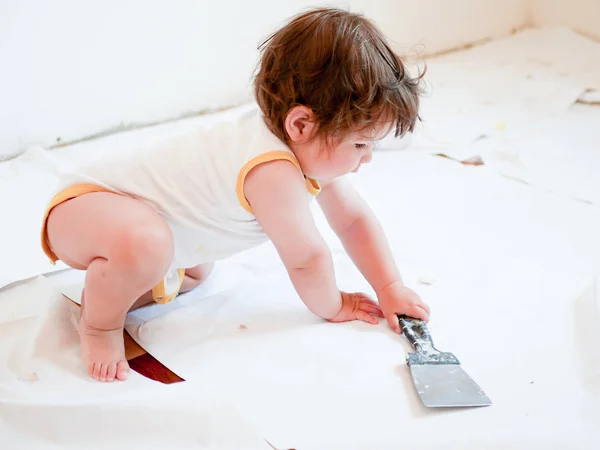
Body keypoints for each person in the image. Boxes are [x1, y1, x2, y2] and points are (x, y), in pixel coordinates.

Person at [40, 7, 430, 383]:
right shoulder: (271, 168)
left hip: (125, 221)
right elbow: (307, 257)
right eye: (361, 144)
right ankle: (99, 326)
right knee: (147, 244)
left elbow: (353, 221)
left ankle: (109, 287)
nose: (367, 159)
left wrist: (389, 287)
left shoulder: (308, 152)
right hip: (83, 208)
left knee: (195, 271)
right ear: (301, 124)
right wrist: (336, 304)